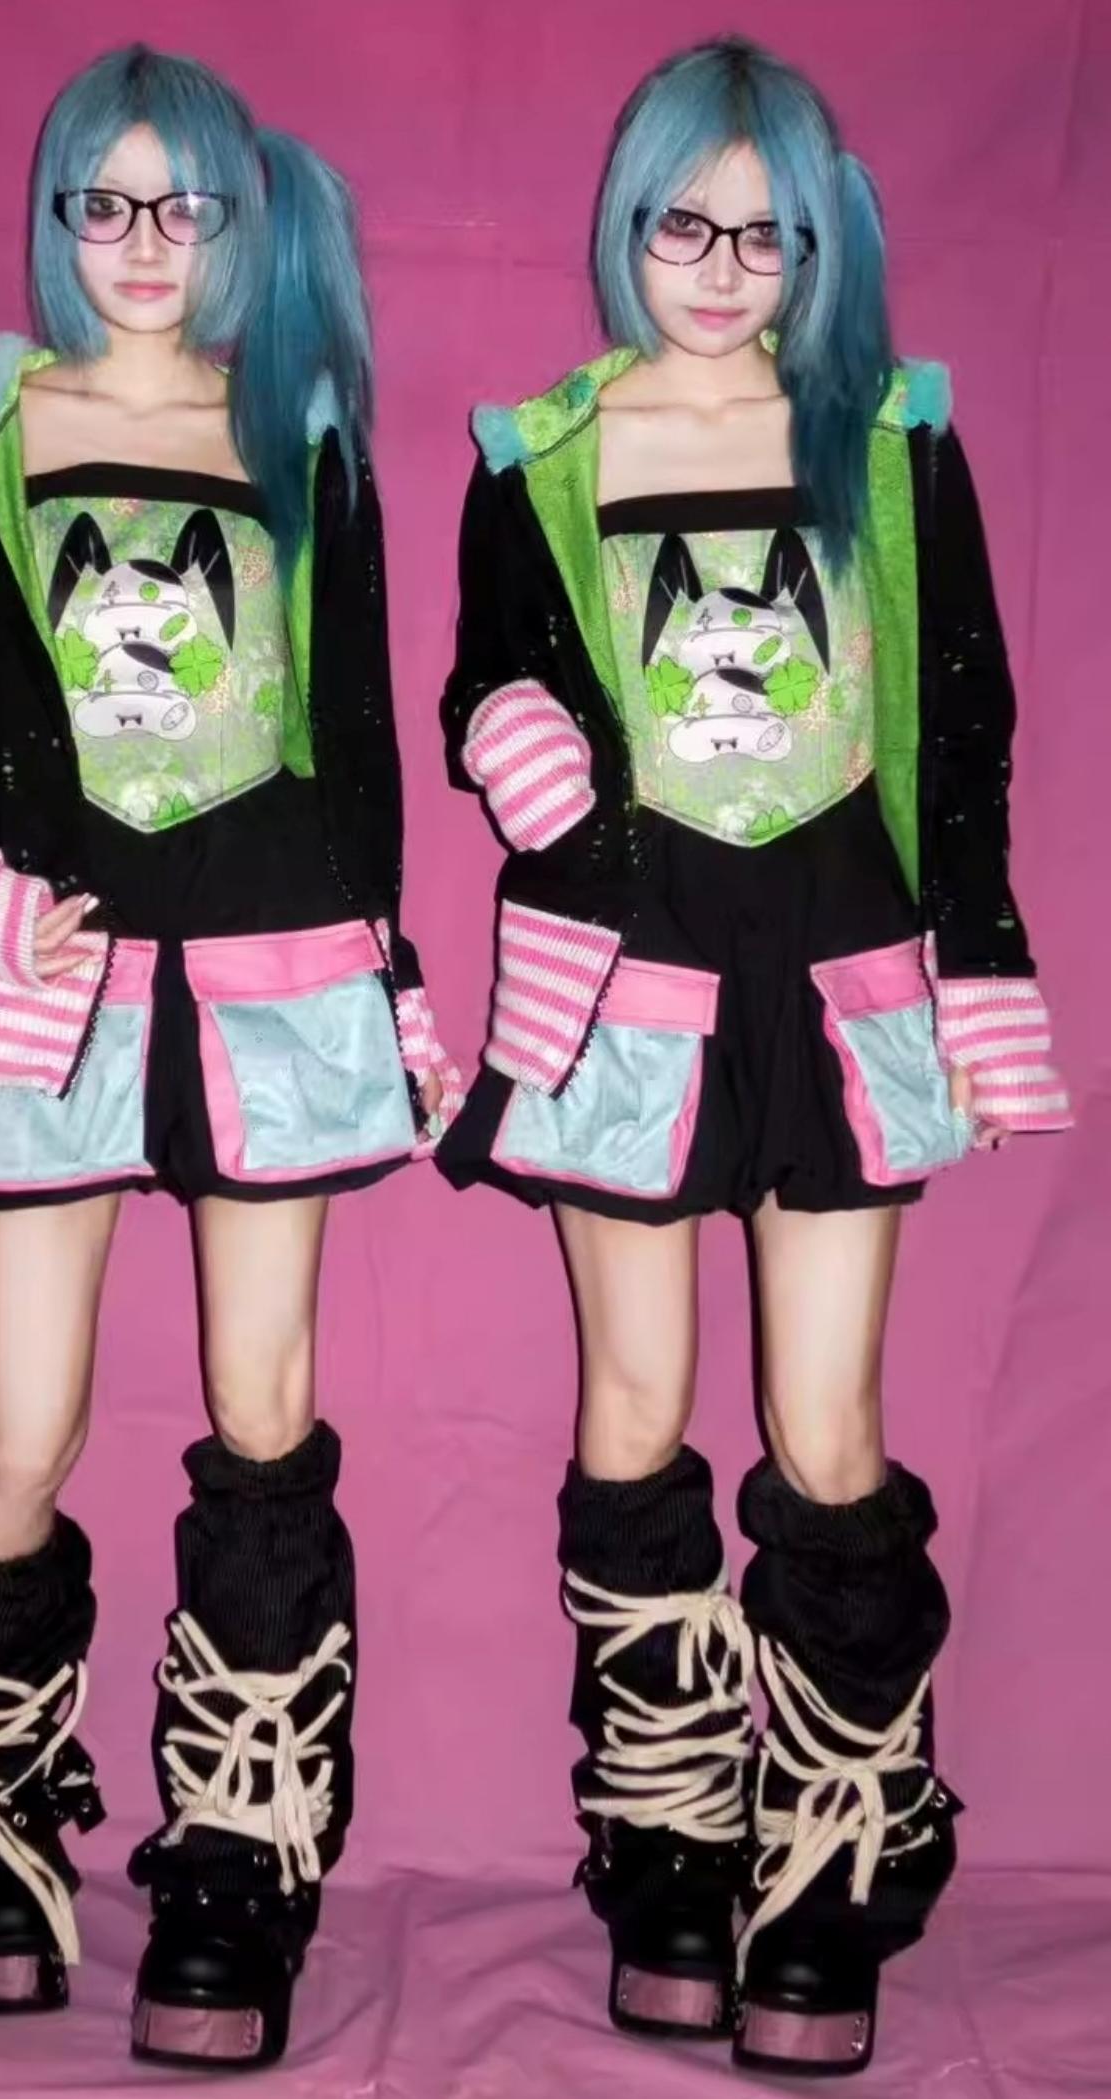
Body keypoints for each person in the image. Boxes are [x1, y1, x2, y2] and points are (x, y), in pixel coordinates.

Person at [0, 43, 459, 2073]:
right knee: (22, 1419)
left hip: (275, 969)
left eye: (187, 206)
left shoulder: (305, 431)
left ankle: (239, 1861)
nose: (146, 243)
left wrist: (393, 983)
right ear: (55, 216)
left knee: (266, 1406)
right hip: (46, 981)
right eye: (106, 202)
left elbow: (354, 749)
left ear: (243, 222)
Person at [437, 34, 1069, 2076]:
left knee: (827, 1423)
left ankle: (828, 1857)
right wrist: (519, 748)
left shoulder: (888, 436)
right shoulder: (536, 451)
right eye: (679, 226)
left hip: (841, 964)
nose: (718, 270)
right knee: (633, 1403)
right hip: (624, 975)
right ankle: (665, 1849)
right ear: (623, 227)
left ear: (820, 242)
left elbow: (962, 727)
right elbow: (485, 677)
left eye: (763, 233)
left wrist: (978, 966)